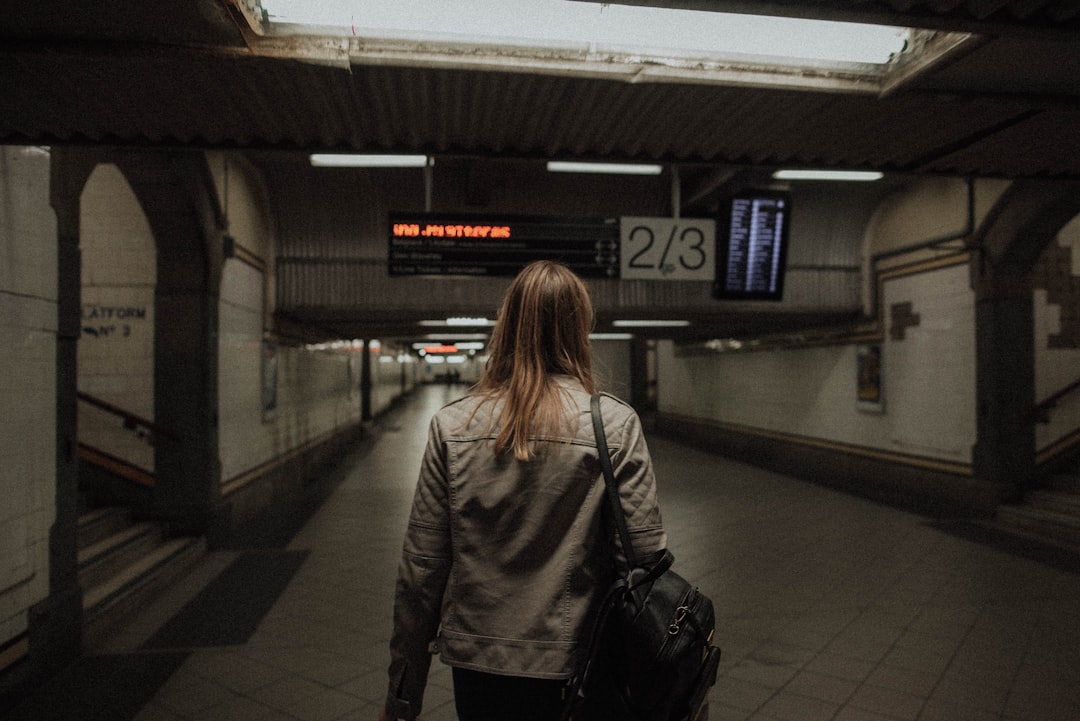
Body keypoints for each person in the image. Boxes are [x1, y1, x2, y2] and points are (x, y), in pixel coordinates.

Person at [379, 260, 667, 721]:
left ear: (507, 326)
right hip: (581, 663)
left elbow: (422, 572)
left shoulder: (453, 426)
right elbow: (645, 561)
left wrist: (402, 696)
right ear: (579, 328)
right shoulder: (614, 424)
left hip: (480, 663)